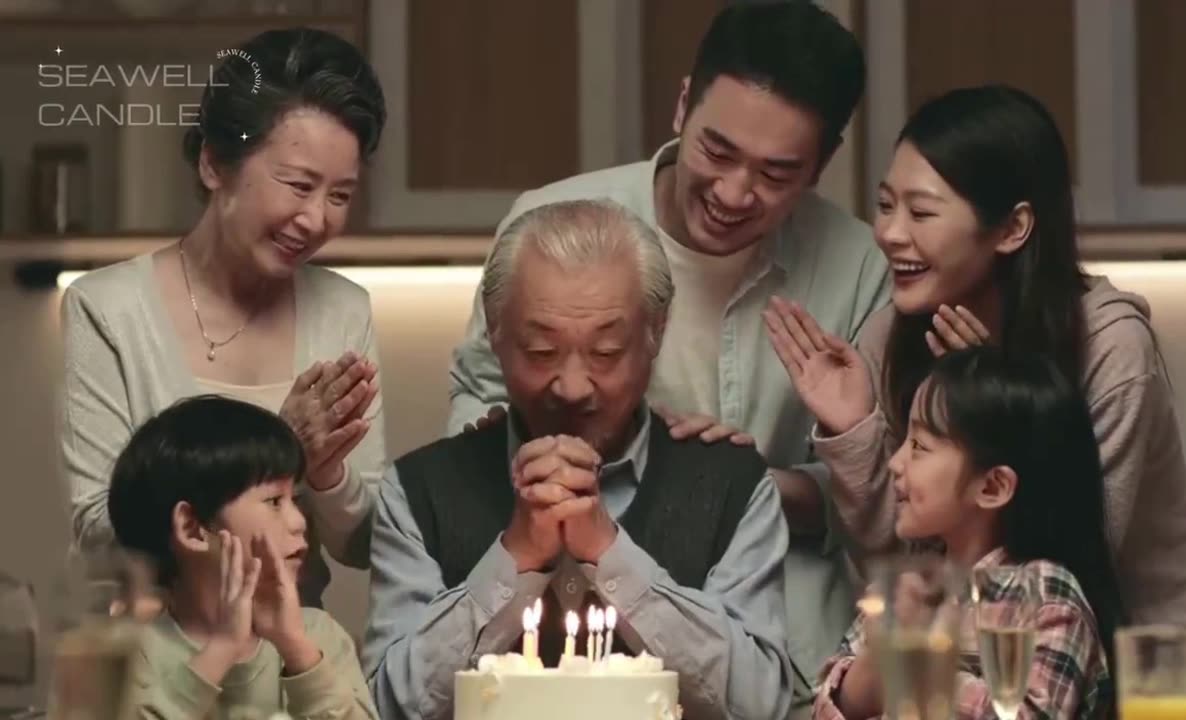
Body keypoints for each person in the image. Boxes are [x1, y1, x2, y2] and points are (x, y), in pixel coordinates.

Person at [765, 84, 1186, 718]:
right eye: (886, 205)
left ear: (1013, 228)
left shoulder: (1110, 346)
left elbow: (1069, 555)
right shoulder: (891, 335)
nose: (888, 233)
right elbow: (907, 569)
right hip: (960, 670)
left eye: (922, 212)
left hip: (1163, 677)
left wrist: (988, 402)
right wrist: (856, 431)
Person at [445, 2, 889, 706]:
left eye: (777, 173)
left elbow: (877, 501)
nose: (735, 192)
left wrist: (739, 488)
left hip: (777, 656)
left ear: (825, 161)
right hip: (573, 635)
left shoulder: (858, 264)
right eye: (718, 150)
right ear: (683, 103)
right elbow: (472, 417)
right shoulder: (551, 219)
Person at [363, 200, 791, 720]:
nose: (571, 387)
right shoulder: (420, 490)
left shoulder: (732, 485)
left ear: (656, 331)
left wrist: (608, 553)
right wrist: (514, 558)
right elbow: (383, 705)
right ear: (495, 334)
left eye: (606, 353)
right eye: (541, 352)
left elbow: (761, 703)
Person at [60, 27, 388, 606]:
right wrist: (278, 451)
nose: (315, 220)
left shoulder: (343, 310)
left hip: (291, 661)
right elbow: (99, 534)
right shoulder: (108, 309)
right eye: (298, 185)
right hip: (147, 660)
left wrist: (328, 472)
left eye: (339, 195)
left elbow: (362, 543)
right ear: (214, 164)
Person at [807, 347, 1119, 720]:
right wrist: (878, 654)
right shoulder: (915, 584)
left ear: (992, 487)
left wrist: (919, 664)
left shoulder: (1045, 593)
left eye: (920, 446)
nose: (895, 462)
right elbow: (827, 709)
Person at [106, 395, 376, 719]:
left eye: (296, 498)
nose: (299, 521)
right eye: (274, 501)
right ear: (192, 528)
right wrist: (222, 649)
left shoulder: (317, 636)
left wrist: (295, 648)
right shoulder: (134, 652)